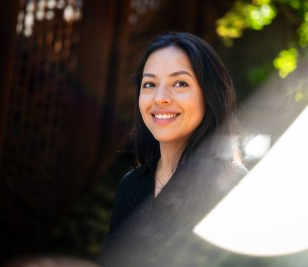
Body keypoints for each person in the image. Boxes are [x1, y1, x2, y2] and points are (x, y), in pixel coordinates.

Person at [101, 31, 248, 267]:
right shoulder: (131, 185)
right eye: (149, 84)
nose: (160, 98)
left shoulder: (235, 191)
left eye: (180, 83)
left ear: (209, 94)